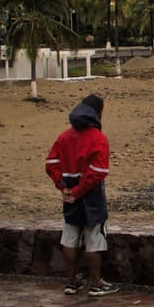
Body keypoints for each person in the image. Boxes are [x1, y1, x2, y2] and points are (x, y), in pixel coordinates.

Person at [45, 93, 119, 296]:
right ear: (99, 113)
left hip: (69, 194)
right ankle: (96, 283)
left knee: (70, 238)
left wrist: (64, 188)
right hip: (91, 197)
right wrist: (78, 191)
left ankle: (71, 281)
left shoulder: (64, 136)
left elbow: (51, 164)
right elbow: (98, 172)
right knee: (94, 239)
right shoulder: (98, 138)